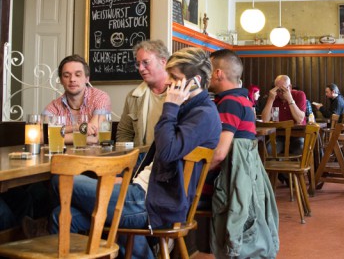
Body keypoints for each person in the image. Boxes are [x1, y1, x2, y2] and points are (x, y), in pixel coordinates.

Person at [50, 47, 221, 259]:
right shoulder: (188, 108)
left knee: (60, 179)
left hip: (152, 203)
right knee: (62, 215)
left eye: (174, 77)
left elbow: (167, 153)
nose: (168, 82)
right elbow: (156, 158)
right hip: (143, 193)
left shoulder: (202, 113)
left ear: (194, 81)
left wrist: (169, 106)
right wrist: (125, 180)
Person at [207, 49, 279, 258]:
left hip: (230, 184)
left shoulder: (229, 102)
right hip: (245, 180)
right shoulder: (244, 100)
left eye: (208, 71)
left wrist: (193, 174)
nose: (205, 76)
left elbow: (220, 153)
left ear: (218, 73)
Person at [42, 54, 111, 145]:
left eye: (78, 75)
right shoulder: (54, 106)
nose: (72, 79)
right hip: (62, 157)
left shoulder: (100, 98)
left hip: (93, 157)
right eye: (66, 76)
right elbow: (41, 136)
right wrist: (76, 128)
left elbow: (94, 137)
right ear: (61, 80)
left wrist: (56, 136)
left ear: (87, 79)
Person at [117, 40, 170, 146]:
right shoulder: (133, 97)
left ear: (163, 62)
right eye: (138, 64)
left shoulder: (181, 94)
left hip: (170, 160)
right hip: (141, 161)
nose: (141, 68)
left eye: (146, 62)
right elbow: (124, 134)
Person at [261, 75, 307, 155]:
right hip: (279, 136)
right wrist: (270, 99)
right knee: (268, 150)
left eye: (284, 89)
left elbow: (299, 119)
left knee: (301, 149)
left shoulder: (299, 95)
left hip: (297, 135)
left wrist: (290, 99)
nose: (281, 93)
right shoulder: (274, 97)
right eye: (278, 90)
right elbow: (265, 120)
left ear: (290, 87)